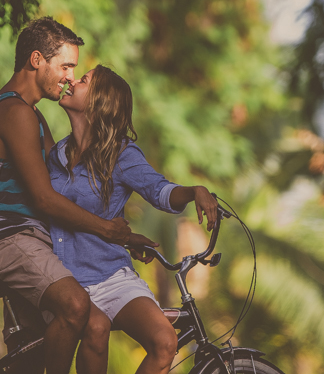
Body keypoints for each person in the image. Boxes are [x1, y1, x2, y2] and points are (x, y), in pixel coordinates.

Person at [0, 17, 154, 374]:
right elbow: (45, 199)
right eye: (66, 66)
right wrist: (107, 230)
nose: (70, 77)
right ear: (37, 60)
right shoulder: (15, 112)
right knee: (77, 305)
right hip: (8, 239)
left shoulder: (31, 116)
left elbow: (62, 183)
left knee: (96, 325)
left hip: (23, 238)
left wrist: (124, 238)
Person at [51, 65, 219, 374]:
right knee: (95, 331)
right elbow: (32, 204)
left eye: (84, 79)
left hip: (111, 275)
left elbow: (160, 191)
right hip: (65, 282)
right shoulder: (54, 156)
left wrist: (195, 190)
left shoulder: (121, 154)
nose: (72, 80)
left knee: (165, 342)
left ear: (100, 101)